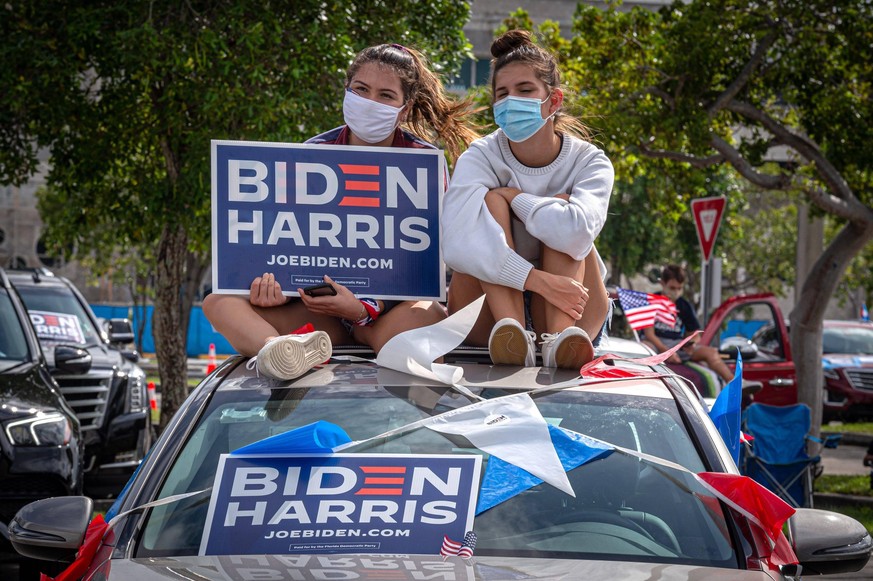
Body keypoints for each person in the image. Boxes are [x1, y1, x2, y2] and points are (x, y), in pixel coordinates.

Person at [203, 43, 478, 380]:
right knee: (218, 301)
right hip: (319, 316)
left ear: (403, 110)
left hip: (385, 318)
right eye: (361, 90)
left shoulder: (426, 165)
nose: (370, 102)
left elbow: (427, 266)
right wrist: (273, 290)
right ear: (346, 91)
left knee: (431, 313)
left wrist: (363, 309)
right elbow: (286, 245)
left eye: (385, 95)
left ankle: (375, 342)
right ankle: (278, 351)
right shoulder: (311, 153)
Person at [441, 30, 614, 369]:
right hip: (486, 316)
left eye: (524, 90)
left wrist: (518, 199)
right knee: (492, 203)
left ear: (553, 100)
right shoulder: (480, 156)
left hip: (577, 315)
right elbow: (458, 244)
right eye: (502, 93)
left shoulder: (590, 160)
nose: (510, 101)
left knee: (563, 218)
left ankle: (560, 340)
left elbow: (576, 234)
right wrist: (539, 282)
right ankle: (513, 333)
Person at [643, 264, 735, 383]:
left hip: (677, 346)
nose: (676, 292)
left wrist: (691, 344)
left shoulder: (684, 305)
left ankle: (736, 383)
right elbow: (649, 334)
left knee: (711, 352)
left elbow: (695, 334)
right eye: (672, 288)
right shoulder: (651, 302)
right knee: (645, 347)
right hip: (655, 344)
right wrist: (667, 352)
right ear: (662, 284)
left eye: (679, 288)